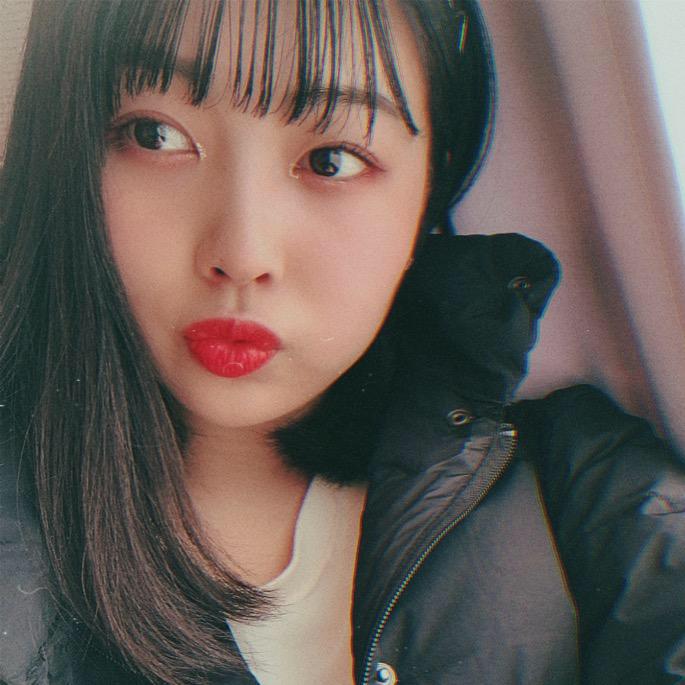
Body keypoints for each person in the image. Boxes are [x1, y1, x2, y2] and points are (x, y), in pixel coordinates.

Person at [2, 1, 685, 683]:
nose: (241, 253)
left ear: (431, 183)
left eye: (331, 161)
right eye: (155, 136)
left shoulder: (587, 498)